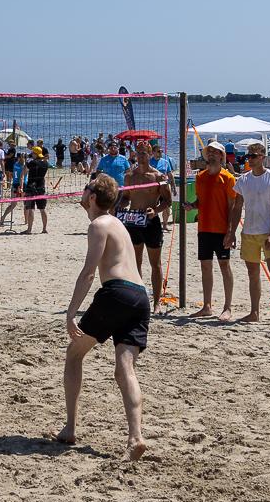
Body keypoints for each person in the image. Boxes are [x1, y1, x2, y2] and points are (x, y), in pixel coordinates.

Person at [54, 173, 148, 461]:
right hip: (140, 297)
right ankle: (135, 437)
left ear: (93, 197)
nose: (82, 194)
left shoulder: (98, 225)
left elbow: (88, 273)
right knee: (125, 369)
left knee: (74, 355)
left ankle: (70, 428)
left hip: (117, 293)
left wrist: (71, 313)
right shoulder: (118, 223)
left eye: (85, 189)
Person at [228, 141, 270, 324]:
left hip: (267, 232)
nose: (250, 159)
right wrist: (232, 232)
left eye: (254, 156)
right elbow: (237, 207)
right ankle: (254, 312)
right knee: (253, 273)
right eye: (248, 156)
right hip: (249, 232)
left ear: (263, 157)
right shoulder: (244, 180)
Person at [188, 142, 237, 318]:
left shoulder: (228, 178)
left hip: (222, 229)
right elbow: (201, 201)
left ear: (222, 156)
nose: (211, 155)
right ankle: (207, 306)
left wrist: (231, 232)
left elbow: (232, 207)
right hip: (204, 228)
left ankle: (227, 307)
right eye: (209, 152)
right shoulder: (200, 177)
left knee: (224, 265)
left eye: (216, 152)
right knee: (205, 266)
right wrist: (192, 205)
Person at [118, 140, 167, 297]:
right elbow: (126, 197)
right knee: (135, 262)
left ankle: (157, 302)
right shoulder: (129, 176)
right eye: (138, 153)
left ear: (150, 154)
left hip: (151, 221)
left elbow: (167, 201)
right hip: (133, 220)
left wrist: (156, 210)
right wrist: (120, 205)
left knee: (155, 264)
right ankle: (139, 296)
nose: (140, 156)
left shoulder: (158, 176)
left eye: (144, 153)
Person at [21, 142, 51, 233]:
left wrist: (25, 161)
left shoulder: (32, 163)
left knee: (31, 209)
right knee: (42, 209)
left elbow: (24, 172)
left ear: (35, 154)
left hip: (31, 187)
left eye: (33, 153)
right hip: (41, 187)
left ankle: (29, 229)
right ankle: (44, 229)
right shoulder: (46, 163)